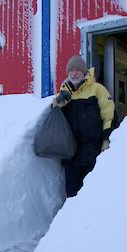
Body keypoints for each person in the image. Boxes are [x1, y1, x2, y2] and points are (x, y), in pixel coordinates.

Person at [52, 55, 116, 197]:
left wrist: (106, 139)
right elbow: (54, 118)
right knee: (72, 193)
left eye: (77, 70)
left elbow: (109, 115)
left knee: (92, 193)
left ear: (84, 72)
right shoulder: (65, 92)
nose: (74, 73)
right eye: (71, 71)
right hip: (71, 153)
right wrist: (56, 104)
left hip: (92, 151)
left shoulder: (97, 89)